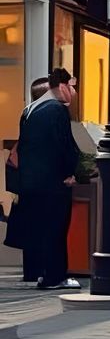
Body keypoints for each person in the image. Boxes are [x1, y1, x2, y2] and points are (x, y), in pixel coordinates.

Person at [16, 69, 81, 290]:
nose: (73, 92)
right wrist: (70, 173)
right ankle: (55, 277)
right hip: (54, 183)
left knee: (42, 229)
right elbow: (63, 145)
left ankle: (42, 274)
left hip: (32, 182)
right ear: (61, 87)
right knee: (56, 228)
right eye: (71, 87)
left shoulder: (29, 111)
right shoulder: (57, 110)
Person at [2, 77, 53, 277]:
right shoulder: (43, 115)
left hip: (28, 180)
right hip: (36, 179)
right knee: (39, 224)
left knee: (31, 224)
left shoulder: (30, 113)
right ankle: (37, 269)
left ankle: (32, 270)